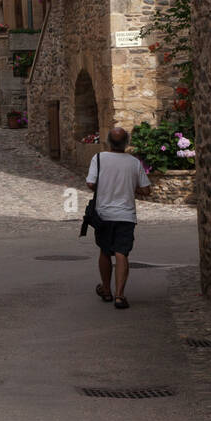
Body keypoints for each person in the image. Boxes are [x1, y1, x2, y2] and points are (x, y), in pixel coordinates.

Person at [87, 126, 152, 309]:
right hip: (126, 215)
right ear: (126, 143)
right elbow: (146, 190)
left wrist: (104, 187)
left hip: (104, 213)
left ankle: (106, 290)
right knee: (121, 253)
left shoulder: (98, 158)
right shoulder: (134, 163)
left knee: (104, 251)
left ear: (108, 141)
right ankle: (120, 296)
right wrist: (131, 187)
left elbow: (91, 183)